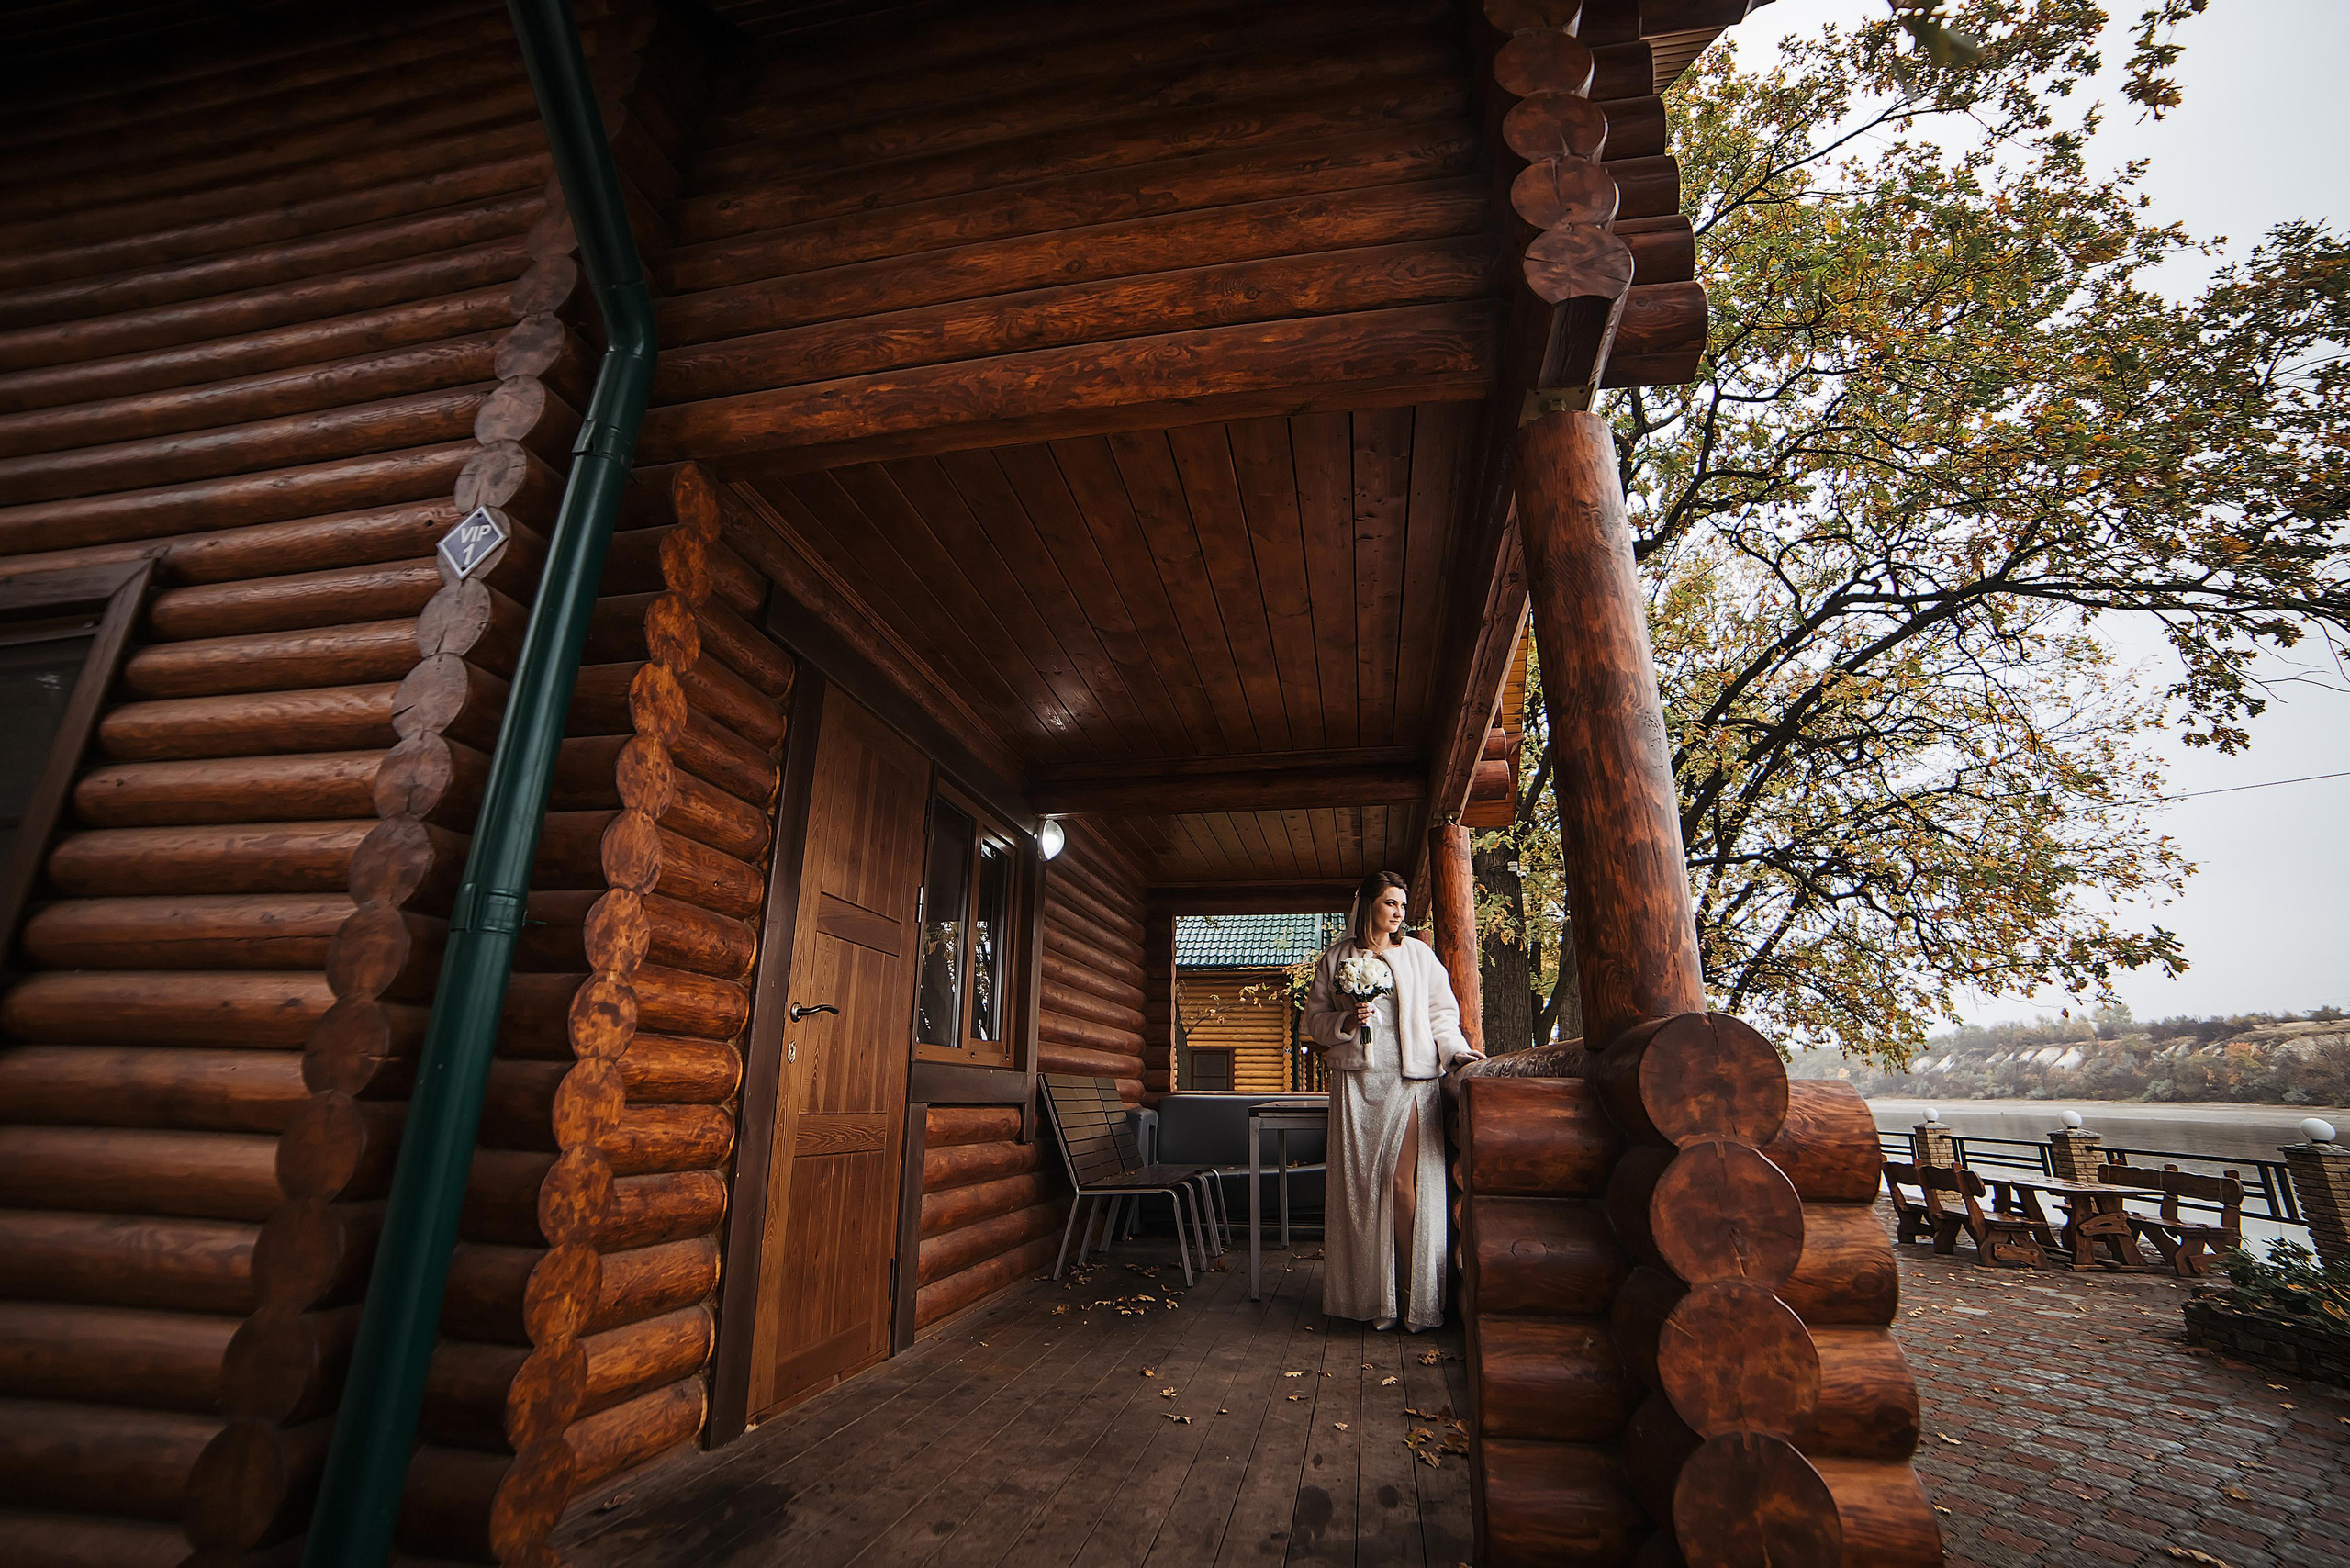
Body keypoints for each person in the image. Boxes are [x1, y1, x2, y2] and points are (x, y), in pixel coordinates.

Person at [1302, 870, 1483, 1330]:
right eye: (1390, 903)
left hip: (1410, 1083)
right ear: (1368, 906)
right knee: (1363, 1191)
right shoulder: (1337, 957)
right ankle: (1373, 1297)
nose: (1399, 913)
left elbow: (1442, 1015)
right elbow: (1313, 1022)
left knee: (1404, 1185)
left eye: (1402, 905)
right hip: (1357, 1085)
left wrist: (1456, 1052)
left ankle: (1411, 1294)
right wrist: (1346, 1019)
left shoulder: (1420, 955)